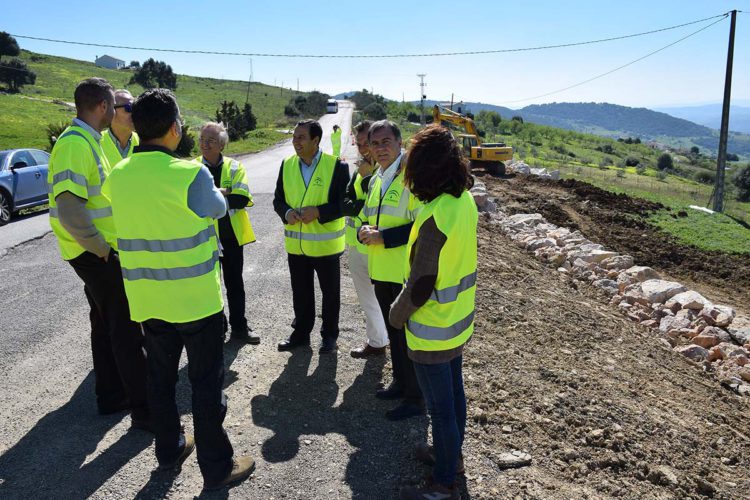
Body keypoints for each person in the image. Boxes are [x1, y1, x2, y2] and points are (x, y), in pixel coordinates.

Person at [103, 89, 254, 491]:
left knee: (160, 380)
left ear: (137, 126)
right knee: (205, 385)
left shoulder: (117, 175)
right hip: (196, 303)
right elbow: (219, 209)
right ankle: (217, 467)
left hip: (148, 302)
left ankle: (169, 449)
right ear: (175, 128)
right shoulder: (191, 173)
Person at [46, 77, 149, 430]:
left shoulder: (86, 141)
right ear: (104, 106)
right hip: (94, 253)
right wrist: (103, 250)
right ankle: (144, 409)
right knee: (125, 330)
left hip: (95, 251)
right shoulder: (76, 144)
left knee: (107, 326)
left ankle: (111, 395)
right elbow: (69, 208)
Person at [390, 125, 477, 500]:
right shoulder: (463, 202)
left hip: (431, 330)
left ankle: (443, 483)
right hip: (458, 322)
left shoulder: (433, 217)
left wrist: (396, 314)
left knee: (441, 410)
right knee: (454, 397)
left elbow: (421, 285)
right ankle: (450, 457)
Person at [358, 120, 423, 421]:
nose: (380, 148)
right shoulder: (374, 180)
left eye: (386, 142)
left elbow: (421, 226)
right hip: (380, 269)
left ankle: (415, 397)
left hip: (402, 272)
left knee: (407, 336)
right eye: (375, 143)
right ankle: (400, 382)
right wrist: (363, 230)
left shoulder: (411, 178)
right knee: (394, 332)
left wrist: (384, 236)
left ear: (400, 143)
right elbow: (366, 215)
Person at [272, 119, 350, 354]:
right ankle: (301, 334)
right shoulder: (286, 165)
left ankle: (329, 337)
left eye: (301, 137)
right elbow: (278, 200)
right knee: (301, 292)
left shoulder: (336, 166)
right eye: (294, 137)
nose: (295, 141)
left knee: (330, 295)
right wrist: (286, 212)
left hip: (325, 246)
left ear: (315, 141)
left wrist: (318, 212)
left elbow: (345, 204)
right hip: (296, 246)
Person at [196, 122, 259, 344]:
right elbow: (191, 201)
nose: (204, 144)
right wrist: (224, 192)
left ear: (222, 145)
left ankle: (240, 329)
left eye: (210, 140)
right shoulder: (192, 167)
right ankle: (217, 328)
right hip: (204, 239)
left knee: (235, 285)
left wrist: (210, 195)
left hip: (231, 238)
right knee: (209, 287)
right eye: (202, 139)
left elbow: (241, 199)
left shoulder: (234, 167)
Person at [342, 120, 388, 358]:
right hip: (357, 244)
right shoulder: (360, 170)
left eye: (366, 143)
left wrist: (367, 178)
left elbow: (379, 204)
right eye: (358, 144)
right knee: (366, 296)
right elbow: (346, 203)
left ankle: (388, 342)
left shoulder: (384, 172)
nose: (362, 149)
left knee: (385, 296)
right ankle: (378, 341)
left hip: (379, 244)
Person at [100, 89, 139, 172]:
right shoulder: (96, 142)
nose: (135, 113)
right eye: (129, 108)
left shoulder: (143, 143)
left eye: (136, 108)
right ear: (111, 111)